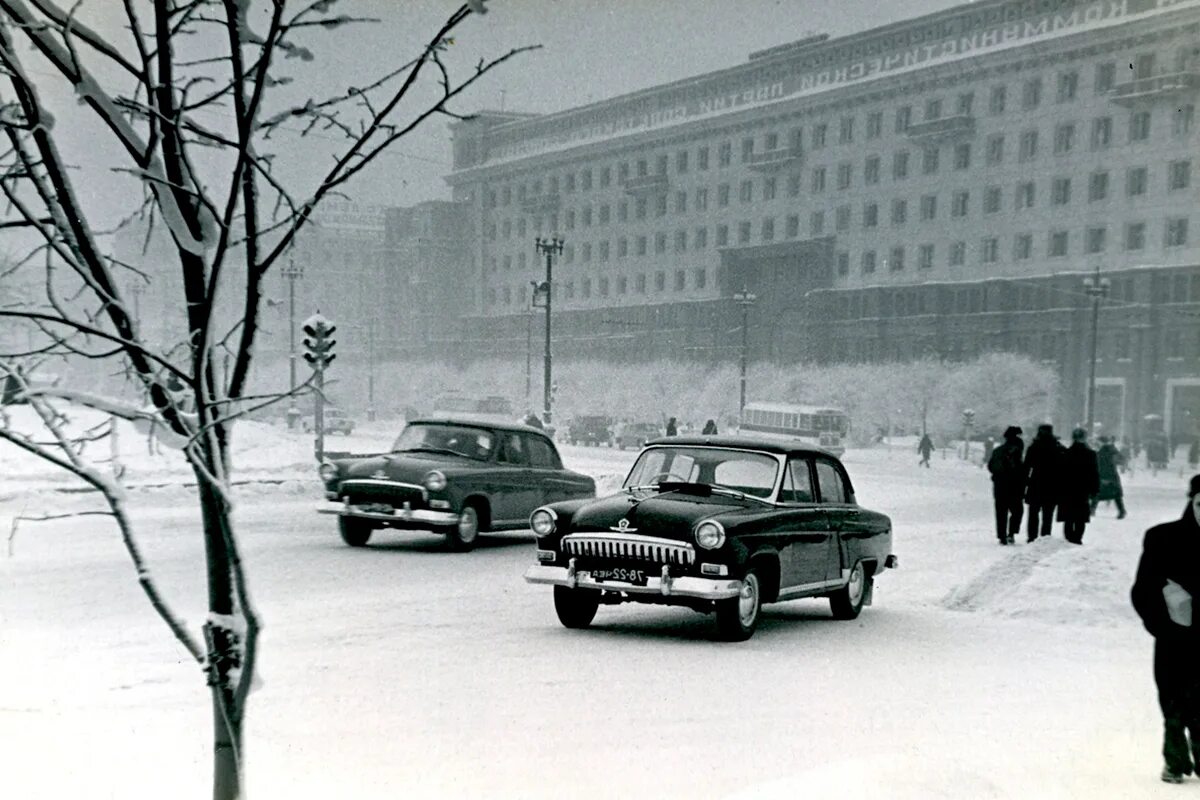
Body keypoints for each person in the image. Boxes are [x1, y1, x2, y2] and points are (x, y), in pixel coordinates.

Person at [1130, 475, 1200, 784]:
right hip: (1174, 637)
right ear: (1192, 501)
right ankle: (1174, 759)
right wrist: (1163, 625)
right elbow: (1143, 590)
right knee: (1172, 701)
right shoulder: (1163, 538)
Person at [1058, 427, 1100, 544]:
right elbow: (1094, 473)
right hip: (1083, 489)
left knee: (1068, 516)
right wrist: (1095, 490)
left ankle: (1069, 537)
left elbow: (1061, 473)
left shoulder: (1066, 453)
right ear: (1085, 438)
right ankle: (1077, 538)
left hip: (1067, 489)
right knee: (1080, 516)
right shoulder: (1091, 454)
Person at [1024, 423, 1064, 542]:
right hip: (1052, 484)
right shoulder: (1058, 447)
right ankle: (1045, 536)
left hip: (1036, 483)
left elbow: (1026, 466)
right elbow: (1064, 467)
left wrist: (1025, 482)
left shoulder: (1034, 447)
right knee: (1048, 514)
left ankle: (1032, 537)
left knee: (1033, 513)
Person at [987, 426, 1025, 545]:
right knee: (1017, 510)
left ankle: (1002, 536)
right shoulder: (1017, 450)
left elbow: (990, 466)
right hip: (1015, 486)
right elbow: (1021, 469)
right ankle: (1011, 533)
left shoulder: (997, 450)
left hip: (999, 485)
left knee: (1001, 511)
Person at [1091, 435, 1127, 519]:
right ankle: (1121, 510)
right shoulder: (1111, 449)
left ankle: (1091, 510)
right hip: (1111, 475)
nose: (1096, 443)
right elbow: (1121, 459)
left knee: (1097, 492)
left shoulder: (1104, 451)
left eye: (1097, 442)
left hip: (1105, 475)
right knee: (1115, 495)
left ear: (1101, 442)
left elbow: (1101, 463)